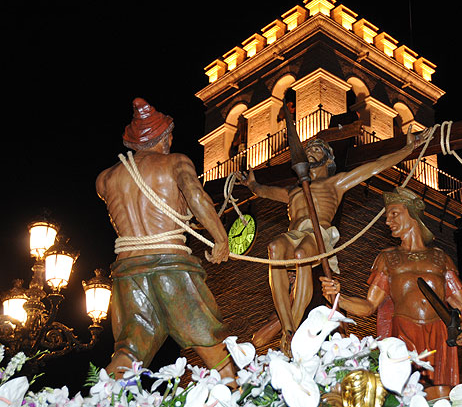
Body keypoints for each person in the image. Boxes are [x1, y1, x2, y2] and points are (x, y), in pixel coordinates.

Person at [236, 126, 429, 353]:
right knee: (274, 247)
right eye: (309, 148)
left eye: (317, 149)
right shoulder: (293, 191)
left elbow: (376, 166)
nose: (310, 150)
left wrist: (408, 148)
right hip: (294, 233)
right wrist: (251, 184)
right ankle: (288, 326)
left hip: (318, 234)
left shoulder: (336, 184)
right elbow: (264, 191)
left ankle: (293, 329)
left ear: (328, 159)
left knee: (302, 255)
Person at [96, 98, 233, 379]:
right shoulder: (176, 162)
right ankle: (239, 393)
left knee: (129, 352)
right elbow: (196, 197)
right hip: (170, 265)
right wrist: (221, 238)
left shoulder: (106, 178)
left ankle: (104, 398)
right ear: (165, 137)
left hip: (126, 272)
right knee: (212, 344)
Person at [320, 187, 462, 396]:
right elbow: (369, 306)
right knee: (408, 393)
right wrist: (340, 297)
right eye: (387, 216)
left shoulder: (440, 259)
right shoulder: (388, 259)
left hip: (438, 334)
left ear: (412, 214)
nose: (388, 221)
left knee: (440, 395)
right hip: (404, 334)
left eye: (394, 214)